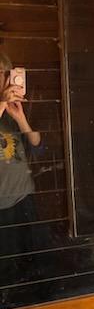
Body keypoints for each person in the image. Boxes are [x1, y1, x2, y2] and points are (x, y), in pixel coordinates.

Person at [0, 51, 41, 253]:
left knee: (31, 253)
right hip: (2, 203)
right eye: (1, 73)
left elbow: (36, 143)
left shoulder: (10, 109)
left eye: (6, 73)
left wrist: (20, 118)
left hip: (24, 195)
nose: (5, 79)